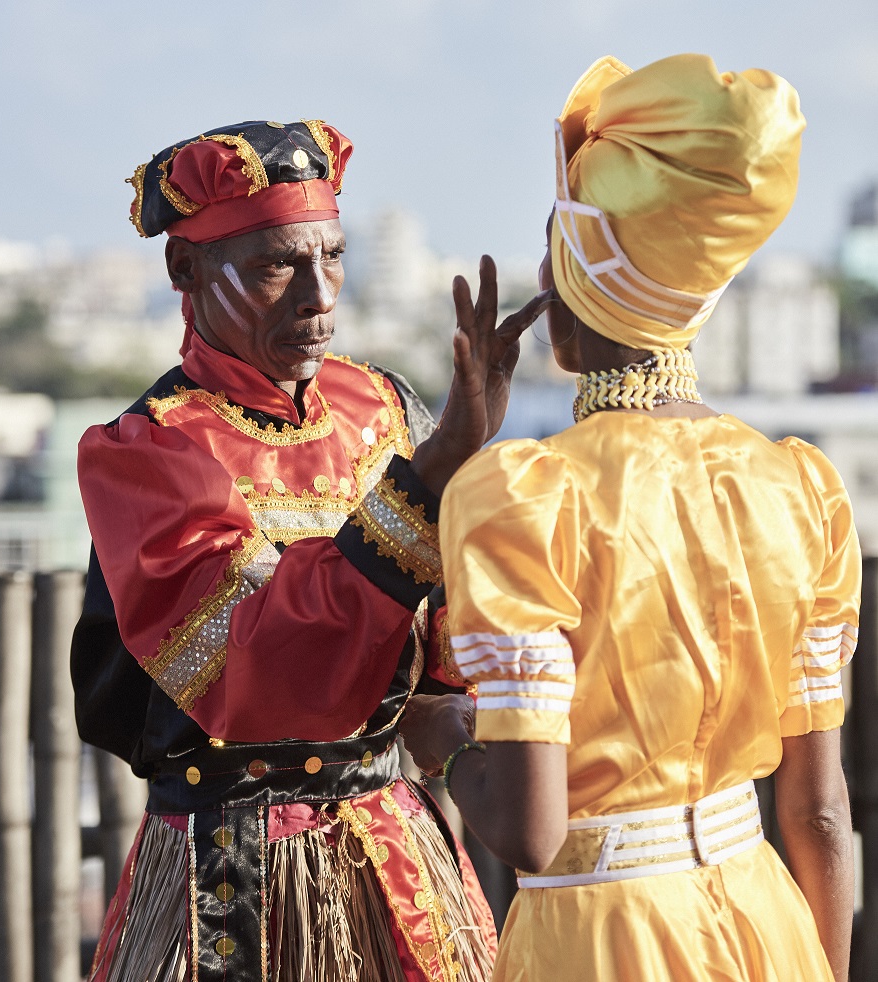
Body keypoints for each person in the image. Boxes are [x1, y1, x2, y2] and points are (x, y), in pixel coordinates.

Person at [399, 54, 860, 981]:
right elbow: (818, 817)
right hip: (767, 919)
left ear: (573, 288)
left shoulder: (524, 493)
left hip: (601, 941)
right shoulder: (799, 486)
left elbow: (532, 830)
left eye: (550, 249)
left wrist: (441, 740)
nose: (538, 270)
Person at [71, 119, 548, 981]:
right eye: (274, 265)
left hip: (398, 852)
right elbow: (253, 670)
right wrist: (436, 470)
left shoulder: (386, 407)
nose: (318, 295)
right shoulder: (147, 452)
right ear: (186, 270)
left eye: (331, 256)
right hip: (230, 876)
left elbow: (443, 650)